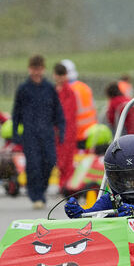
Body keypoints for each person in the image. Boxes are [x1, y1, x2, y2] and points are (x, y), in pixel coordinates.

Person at [64, 135, 134, 218]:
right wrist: (79, 214)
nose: (131, 183)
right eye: (124, 177)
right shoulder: (108, 201)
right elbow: (93, 216)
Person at [12, 55, 65, 209]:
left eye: (39, 69)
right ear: (30, 69)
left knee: (50, 161)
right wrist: (16, 133)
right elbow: (16, 114)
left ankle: (41, 189)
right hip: (30, 134)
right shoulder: (23, 89)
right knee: (34, 164)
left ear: (43, 69)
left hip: (47, 133)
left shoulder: (49, 88)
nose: (36, 72)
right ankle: (35, 194)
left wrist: (61, 130)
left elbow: (58, 111)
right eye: (34, 69)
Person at [61, 59, 97, 149]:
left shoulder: (68, 91)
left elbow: (66, 114)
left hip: (77, 134)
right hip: (92, 132)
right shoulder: (85, 87)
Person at [53, 63, 78, 195]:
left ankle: (66, 185)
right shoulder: (54, 92)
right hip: (57, 131)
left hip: (68, 131)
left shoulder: (69, 92)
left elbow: (68, 113)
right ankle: (63, 184)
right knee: (60, 160)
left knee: (67, 160)